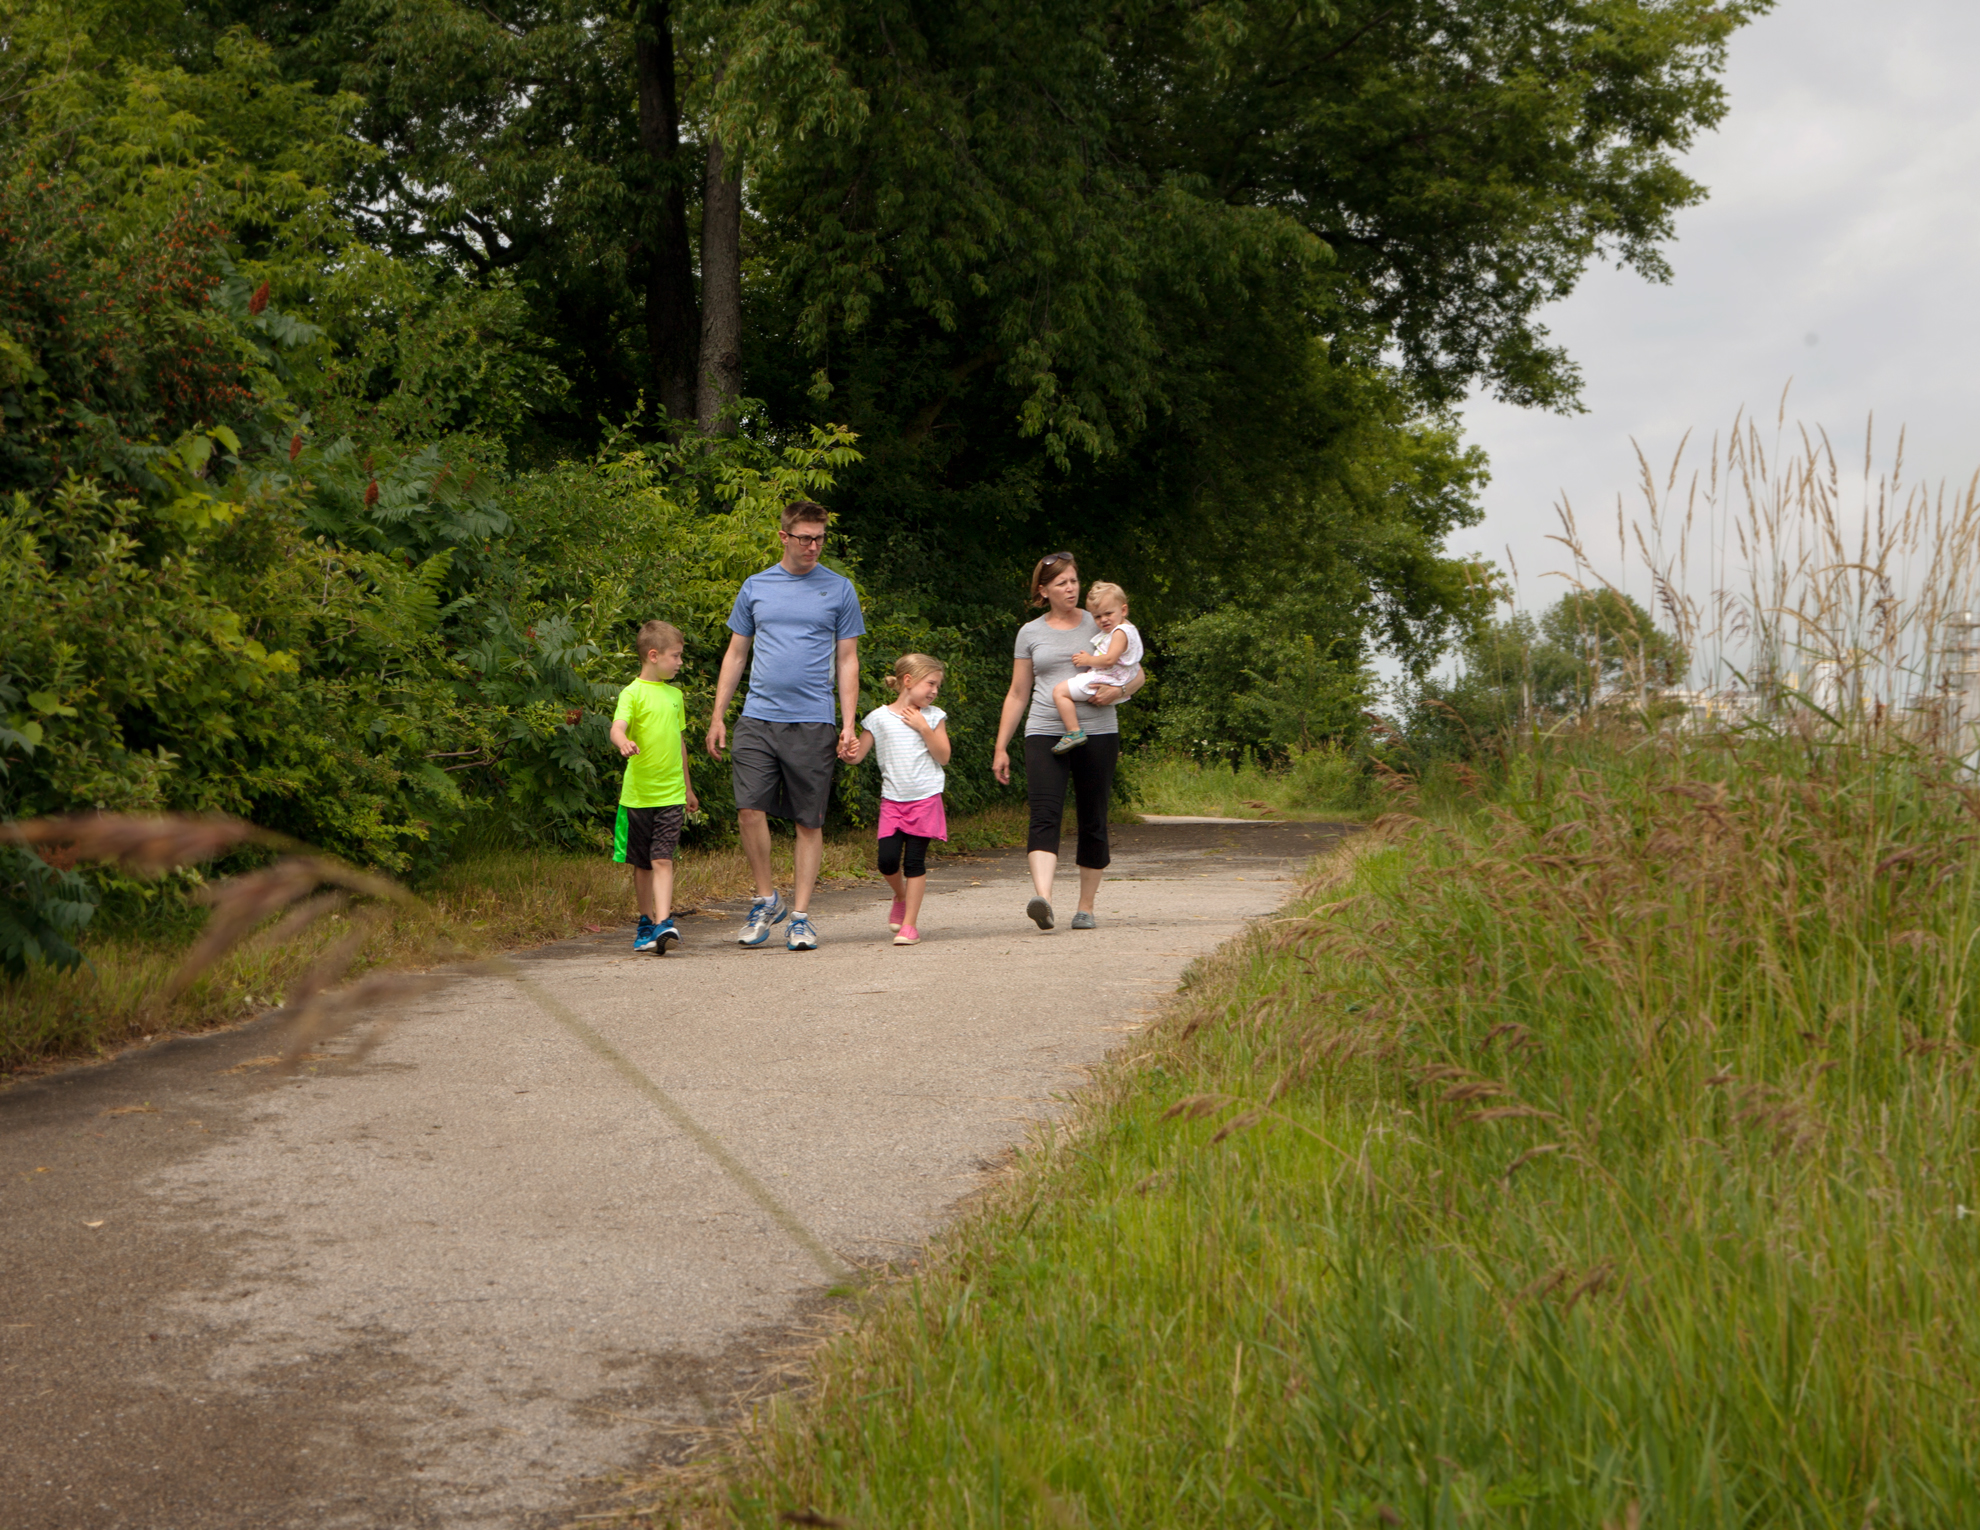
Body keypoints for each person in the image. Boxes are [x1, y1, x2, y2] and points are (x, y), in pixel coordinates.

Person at [705, 499, 865, 951]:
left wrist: (848, 724)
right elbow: (737, 653)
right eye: (805, 538)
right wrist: (718, 715)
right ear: (784, 537)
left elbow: (847, 659)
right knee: (749, 808)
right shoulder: (756, 587)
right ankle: (765, 897)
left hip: (814, 721)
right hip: (757, 716)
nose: (813, 546)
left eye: (820, 538)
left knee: (807, 822)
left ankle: (800, 915)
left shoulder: (839, 589)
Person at [991, 553, 1144, 932]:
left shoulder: (1104, 620)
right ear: (1043, 591)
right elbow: (1017, 692)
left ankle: (1086, 907)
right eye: (1061, 583)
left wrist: (1119, 690)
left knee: (1093, 816)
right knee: (1044, 813)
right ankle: (1043, 899)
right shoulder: (1030, 632)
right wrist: (1001, 746)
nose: (1071, 588)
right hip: (1044, 730)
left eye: (1074, 580)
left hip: (1099, 731)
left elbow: (1138, 673)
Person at [845, 654, 951, 947]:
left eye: (937, 686)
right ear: (908, 681)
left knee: (915, 862)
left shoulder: (933, 716)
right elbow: (856, 757)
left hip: (926, 799)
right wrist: (846, 751)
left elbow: (943, 757)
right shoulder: (878, 718)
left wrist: (923, 728)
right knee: (887, 861)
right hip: (893, 801)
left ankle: (910, 926)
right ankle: (900, 896)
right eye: (930, 683)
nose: (934, 691)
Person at [610, 619, 700, 955]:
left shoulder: (676, 696)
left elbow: (679, 744)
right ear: (653, 655)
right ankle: (646, 921)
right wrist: (623, 742)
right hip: (638, 795)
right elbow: (617, 727)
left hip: (671, 794)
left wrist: (688, 789)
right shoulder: (631, 693)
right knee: (642, 863)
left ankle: (664, 923)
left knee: (663, 857)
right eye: (675, 656)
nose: (679, 663)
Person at [1049, 581, 1142, 753]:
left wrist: (1087, 660)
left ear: (1123, 610)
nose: (1103, 620)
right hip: (1115, 679)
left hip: (1105, 678)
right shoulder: (1129, 628)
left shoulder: (1120, 632)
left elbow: (1109, 660)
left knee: (1059, 692)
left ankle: (1074, 732)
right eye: (1097, 616)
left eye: (1108, 613)